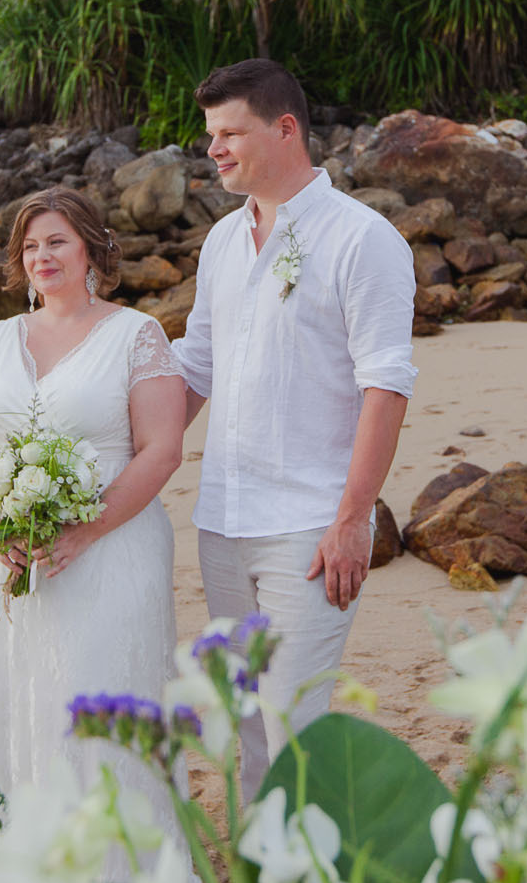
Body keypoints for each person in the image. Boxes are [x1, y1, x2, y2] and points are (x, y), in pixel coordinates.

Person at [171, 59, 417, 798]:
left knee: (293, 728)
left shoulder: (362, 240)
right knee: (244, 722)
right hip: (222, 520)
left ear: (285, 129)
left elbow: (387, 383)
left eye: (229, 131)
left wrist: (352, 518)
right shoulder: (220, 241)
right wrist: (132, 458)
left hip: (309, 529)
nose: (214, 148)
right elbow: (197, 366)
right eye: (210, 134)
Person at [0, 188, 188, 875]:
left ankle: (112, 875)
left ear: (90, 247)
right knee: (6, 694)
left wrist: (86, 530)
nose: (41, 256)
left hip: (111, 548)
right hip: (4, 555)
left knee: (95, 698)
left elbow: (161, 449)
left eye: (56, 240)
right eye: (29, 246)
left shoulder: (135, 335)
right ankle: (13, 870)